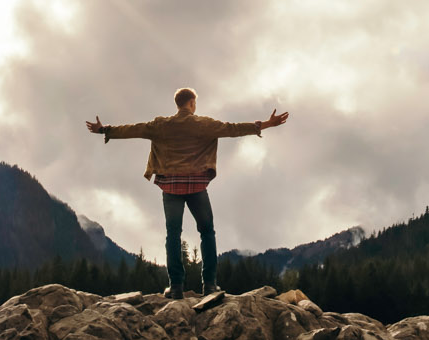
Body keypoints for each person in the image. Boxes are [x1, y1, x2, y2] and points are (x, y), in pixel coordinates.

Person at [87, 88, 290, 298]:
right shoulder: (203, 124)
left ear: (177, 104)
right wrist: (266, 124)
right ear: (192, 103)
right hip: (197, 186)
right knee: (207, 232)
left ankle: (176, 287)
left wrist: (105, 130)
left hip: (171, 186)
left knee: (173, 234)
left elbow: (134, 130)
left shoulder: (160, 125)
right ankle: (210, 285)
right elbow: (233, 129)